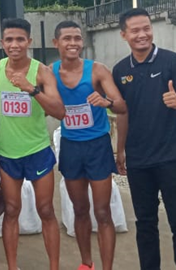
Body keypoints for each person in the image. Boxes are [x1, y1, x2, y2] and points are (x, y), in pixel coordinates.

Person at [112, 8, 176, 270]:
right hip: (138, 159)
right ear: (124, 35)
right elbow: (123, 113)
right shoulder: (120, 70)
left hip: (171, 156)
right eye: (135, 30)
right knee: (145, 222)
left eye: (146, 28)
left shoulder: (173, 61)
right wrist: (121, 150)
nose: (142, 35)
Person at [0, 18, 65, 270]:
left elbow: (60, 111)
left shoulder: (41, 72)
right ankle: (13, 266)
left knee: (45, 210)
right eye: (9, 39)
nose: (14, 44)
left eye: (20, 39)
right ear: (2, 43)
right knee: (11, 210)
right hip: (9, 154)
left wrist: (31, 89)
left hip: (37, 151)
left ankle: (54, 266)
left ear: (29, 42)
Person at [51, 21, 127, 270]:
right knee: (80, 209)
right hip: (71, 145)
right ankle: (86, 264)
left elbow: (121, 105)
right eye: (67, 38)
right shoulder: (49, 72)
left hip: (97, 145)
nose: (73, 43)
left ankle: (107, 267)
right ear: (56, 43)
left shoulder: (97, 70)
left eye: (77, 38)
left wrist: (105, 102)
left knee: (103, 211)